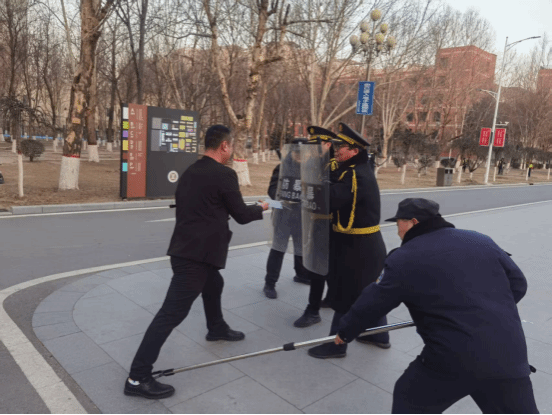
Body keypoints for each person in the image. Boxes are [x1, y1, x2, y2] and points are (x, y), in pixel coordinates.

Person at [334, 198, 539, 414]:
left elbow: (373, 303)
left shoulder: (404, 257)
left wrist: (345, 332)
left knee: (409, 397)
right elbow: (518, 284)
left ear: (413, 222)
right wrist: (487, 308)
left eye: (399, 223)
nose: (397, 230)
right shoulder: (480, 239)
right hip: (509, 357)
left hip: (452, 360)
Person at [124, 125, 269, 400]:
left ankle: (216, 328)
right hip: (196, 257)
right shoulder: (225, 174)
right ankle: (137, 377)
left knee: (214, 284)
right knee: (171, 314)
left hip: (187, 249)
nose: (231, 150)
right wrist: (261, 207)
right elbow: (240, 215)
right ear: (224, 146)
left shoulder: (191, 171)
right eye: (231, 146)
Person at [307, 123, 389, 358]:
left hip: (358, 249)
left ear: (354, 150)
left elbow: (332, 198)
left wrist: (308, 187)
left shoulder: (354, 174)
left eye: (341, 147)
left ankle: (336, 346)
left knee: (345, 297)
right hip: (364, 245)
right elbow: (334, 180)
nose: (337, 150)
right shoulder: (356, 169)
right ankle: (378, 335)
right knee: (368, 293)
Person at [293, 126, 340, 328]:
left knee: (319, 268)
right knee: (322, 267)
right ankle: (330, 298)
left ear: (327, 145)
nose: (310, 150)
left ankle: (313, 311)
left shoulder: (334, 167)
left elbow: (333, 197)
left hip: (328, 225)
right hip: (316, 222)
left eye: (315, 146)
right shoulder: (314, 163)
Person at [263, 139, 310, 300]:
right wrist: (284, 198)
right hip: (283, 216)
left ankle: (301, 275)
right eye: (297, 153)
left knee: (301, 248)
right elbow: (272, 190)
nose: (300, 156)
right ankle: (270, 283)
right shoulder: (282, 167)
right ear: (292, 152)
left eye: (303, 154)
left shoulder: (310, 169)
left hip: (302, 216)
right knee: (278, 249)